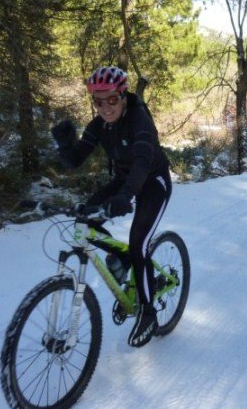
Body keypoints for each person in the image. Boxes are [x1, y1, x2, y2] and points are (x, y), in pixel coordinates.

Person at [51, 66, 171, 348]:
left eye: (111, 100)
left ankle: (148, 313)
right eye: (98, 101)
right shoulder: (100, 125)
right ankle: (128, 261)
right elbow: (76, 159)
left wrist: (127, 195)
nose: (105, 107)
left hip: (153, 182)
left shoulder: (139, 120)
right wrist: (65, 146)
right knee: (85, 221)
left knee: (138, 243)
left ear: (123, 95)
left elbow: (143, 160)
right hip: (122, 181)